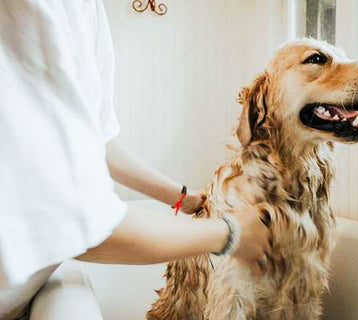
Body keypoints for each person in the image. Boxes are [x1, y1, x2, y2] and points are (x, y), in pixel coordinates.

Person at [0, 0, 271, 318]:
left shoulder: (87, 9)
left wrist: (184, 198)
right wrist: (231, 234)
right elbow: (79, 222)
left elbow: (96, 143)